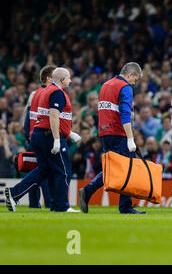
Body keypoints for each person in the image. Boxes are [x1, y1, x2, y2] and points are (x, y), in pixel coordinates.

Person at [5, 68, 81, 212]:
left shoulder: (44, 91)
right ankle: (61, 206)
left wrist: (69, 133)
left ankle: (14, 193)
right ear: (62, 80)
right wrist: (58, 140)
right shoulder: (57, 92)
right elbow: (53, 116)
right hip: (50, 135)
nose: (70, 81)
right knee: (63, 170)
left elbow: (45, 116)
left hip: (39, 134)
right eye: (69, 78)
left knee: (44, 170)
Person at [78, 62, 146, 214]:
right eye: (135, 80)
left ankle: (88, 191)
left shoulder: (106, 85)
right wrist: (130, 138)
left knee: (112, 169)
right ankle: (125, 207)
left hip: (104, 133)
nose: (135, 83)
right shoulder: (125, 87)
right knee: (126, 168)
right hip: (119, 133)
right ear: (131, 75)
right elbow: (125, 113)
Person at [22, 65, 55, 208]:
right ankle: (49, 203)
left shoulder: (34, 94)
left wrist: (29, 137)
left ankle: (34, 204)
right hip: (44, 136)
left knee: (35, 170)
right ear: (49, 78)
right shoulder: (50, 93)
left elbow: (27, 118)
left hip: (33, 137)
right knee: (45, 171)